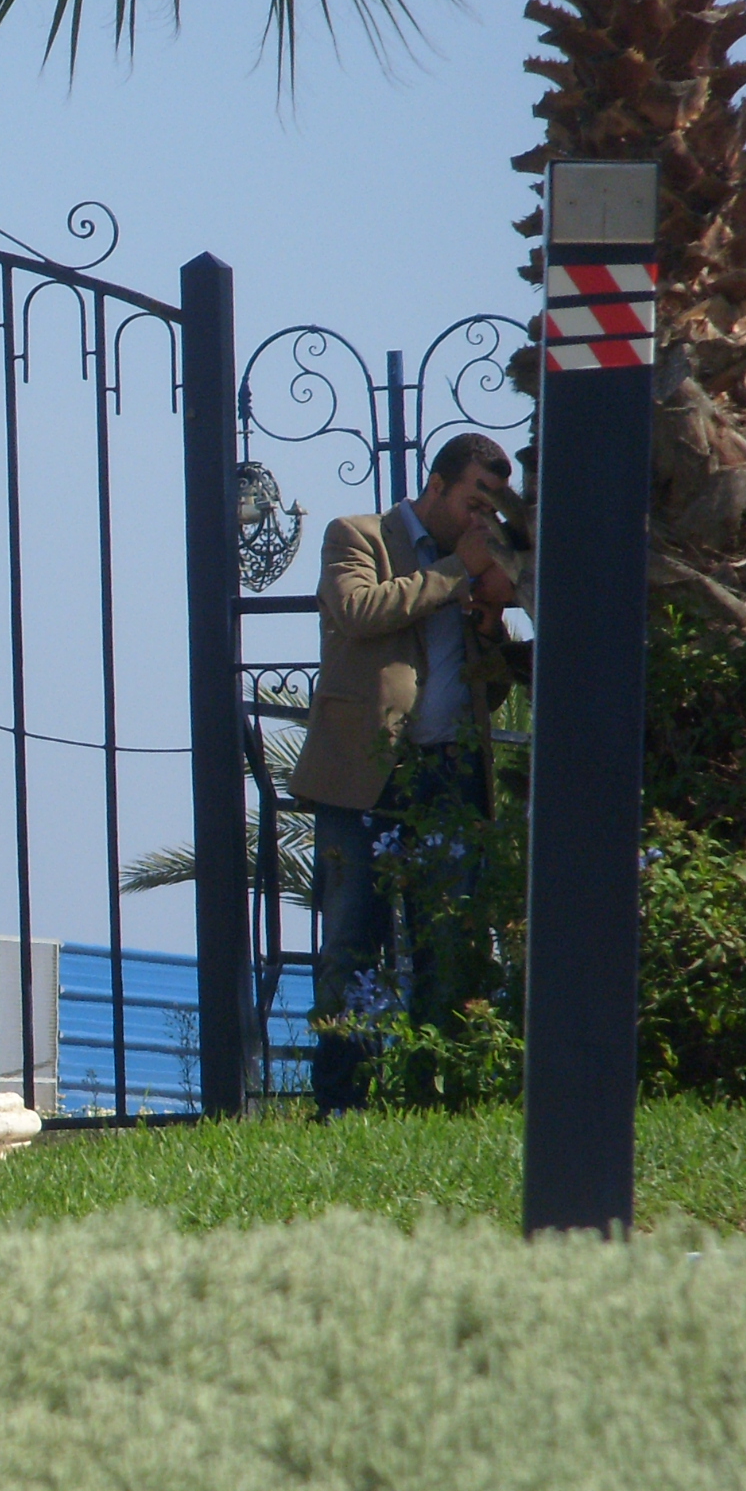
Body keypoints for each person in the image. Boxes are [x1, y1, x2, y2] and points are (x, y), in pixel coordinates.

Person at [290, 432, 524, 1116]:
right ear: (438, 486)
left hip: (449, 774)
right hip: (363, 778)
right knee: (352, 944)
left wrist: (490, 628)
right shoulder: (357, 535)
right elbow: (356, 610)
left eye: (493, 510)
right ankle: (342, 1104)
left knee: (447, 941)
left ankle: (435, 1099)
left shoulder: (474, 567)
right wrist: (454, 572)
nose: (483, 520)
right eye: (475, 503)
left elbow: (488, 693)